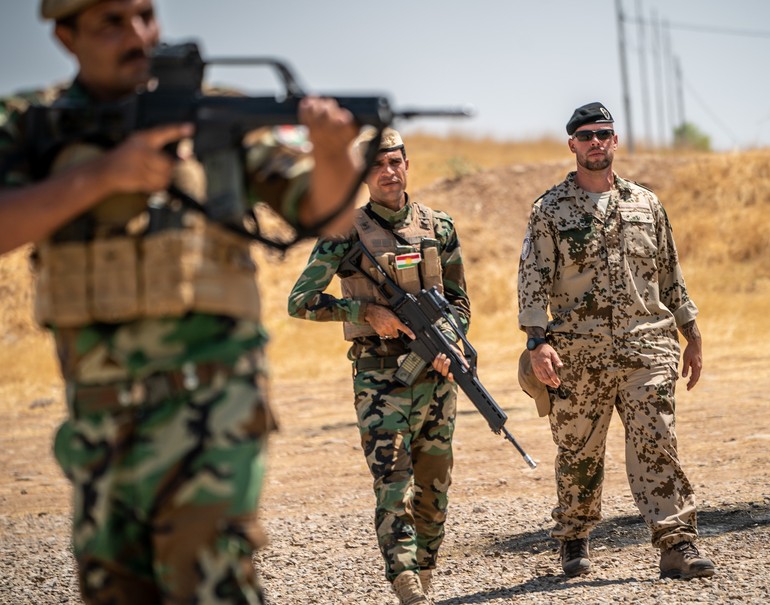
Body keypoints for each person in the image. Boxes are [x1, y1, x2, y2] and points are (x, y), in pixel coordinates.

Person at [0, 1, 362, 603]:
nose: (137, 35)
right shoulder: (30, 121)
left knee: (209, 584)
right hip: (97, 417)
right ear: (65, 36)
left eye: (144, 15)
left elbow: (326, 212)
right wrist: (102, 177)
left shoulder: (219, 113)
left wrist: (331, 151)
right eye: (110, 23)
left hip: (214, 406)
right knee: (115, 587)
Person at [516, 101, 716, 581]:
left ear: (615, 140)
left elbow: (671, 273)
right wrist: (536, 341)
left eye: (603, 133)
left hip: (646, 347)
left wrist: (691, 332)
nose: (595, 143)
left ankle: (677, 544)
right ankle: (574, 537)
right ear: (572, 145)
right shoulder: (549, 209)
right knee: (578, 451)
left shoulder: (646, 204)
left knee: (657, 443)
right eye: (586, 136)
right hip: (577, 355)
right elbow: (532, 281)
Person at [287, 127, 469, 605]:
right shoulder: (343, 233)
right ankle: (405, 579)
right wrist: (365, 312)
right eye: (377, 165)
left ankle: (424, 571)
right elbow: (300, 301)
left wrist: (451, 343)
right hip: (379, 379)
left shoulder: (439, 226)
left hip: (437, 375)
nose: (388, 172)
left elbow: (460, 303)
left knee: (435, 485)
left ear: (407, 164)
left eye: (395, 162)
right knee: (394, 483)